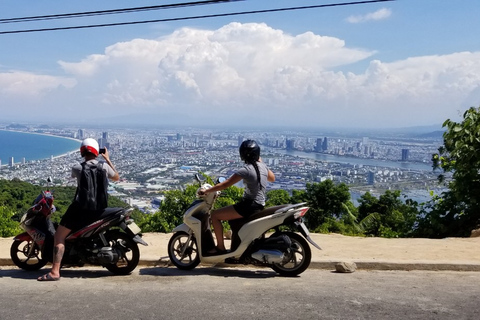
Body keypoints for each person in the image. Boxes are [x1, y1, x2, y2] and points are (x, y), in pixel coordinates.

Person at [37, 138, 119, 281]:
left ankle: (55, 271)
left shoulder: (77, 168)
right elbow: (116, 177)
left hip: (80, 210)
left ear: (82, 151)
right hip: (99, 209)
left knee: (59, 236)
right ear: (96, 151)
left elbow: (76, 177)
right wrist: (107, 159)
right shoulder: (104, 167)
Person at [199, 139, 275, 254]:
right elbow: (272, 178)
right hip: (259, 205)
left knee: (215, 215)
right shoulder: (263, 167)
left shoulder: (246, 170)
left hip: (248, 206)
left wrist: (207, 191)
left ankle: (220, 247)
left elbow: (225, 184)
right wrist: (261, 161)